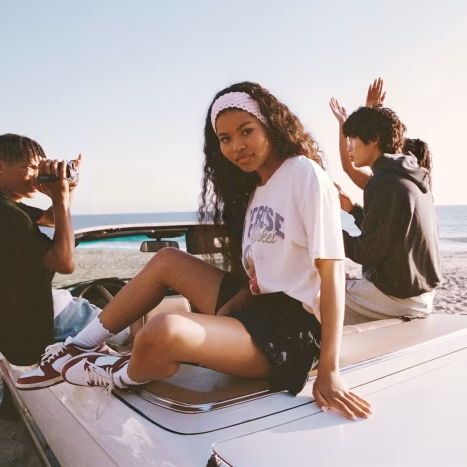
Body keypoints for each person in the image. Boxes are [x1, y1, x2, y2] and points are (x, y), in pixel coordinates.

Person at [23, 83, 371, 421]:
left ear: (271, 125)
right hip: (257, 309)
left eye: (246, 131)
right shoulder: (257, 190)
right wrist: (234, 305)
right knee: (167, 260)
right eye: (225, 138)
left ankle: (115, 374)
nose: (236, 146)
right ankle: (77, 347)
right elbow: (264, 275)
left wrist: (330, 370)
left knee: (162, 330)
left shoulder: (305, 173)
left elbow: (331, 275)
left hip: (292, 334)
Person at [0, 134, 128, 388]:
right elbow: (65, 263)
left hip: (22, 320)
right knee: (130, 326)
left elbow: (51, 218)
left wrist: (67, 189)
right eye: (30, 167)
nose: (37, 175)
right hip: (44, 321)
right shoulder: (3, 213)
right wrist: (59, 197)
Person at [335, 106, 443, 323]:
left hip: (396, 298)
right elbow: (388, 231)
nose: (349, 146)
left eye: (353, 138)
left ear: (374, 139)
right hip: (422, 296)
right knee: (341, 283)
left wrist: (326, 231)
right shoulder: (412, 178)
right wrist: (353, 210)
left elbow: (366, 252)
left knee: (313, 296)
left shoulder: (383, 181)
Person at [329, 78, 434, 191]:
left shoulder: (390, 185)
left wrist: (368, 114)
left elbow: (351, 167)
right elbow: (351, 167)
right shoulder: (413, 185)